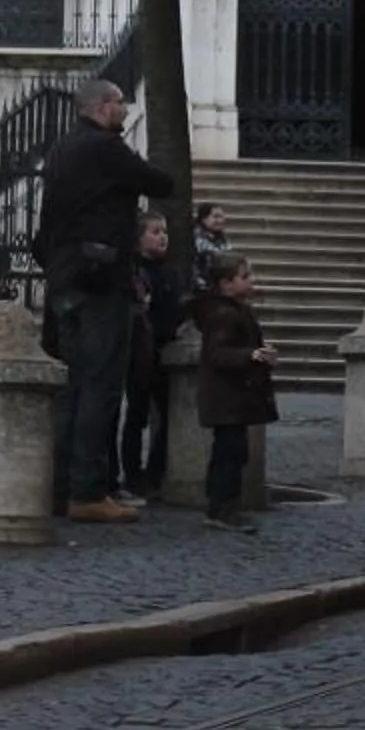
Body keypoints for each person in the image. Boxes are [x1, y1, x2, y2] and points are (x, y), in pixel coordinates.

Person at [33, 79, 172, 521]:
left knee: (72, 388)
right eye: (120, 103)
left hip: (64, 279)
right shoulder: (104, 148)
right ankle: (88, 491)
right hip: (100, 281)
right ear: (100, 106)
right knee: (101, 386)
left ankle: (61, 487)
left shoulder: (60, 149)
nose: (127, 110)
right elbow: (160, 182)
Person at [194, 250, 277, 532]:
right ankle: (222, 507)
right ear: (226, 284)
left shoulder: (232, 311)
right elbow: (217, 354)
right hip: (227, 398)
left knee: (233, 451)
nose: (251, 281)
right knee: (229, 453)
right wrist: (251, 355)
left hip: (233, 399)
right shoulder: (223, 315)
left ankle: (224, 505)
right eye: (245, 276)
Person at [119, 210, 184, 493]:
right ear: (139, 238)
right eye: (155, 232)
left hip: (167, 348)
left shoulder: (172, 270)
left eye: (164, 232)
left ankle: (155, 470)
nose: (162, 237)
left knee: (169, 414)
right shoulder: (134, 269)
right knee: (137, 414)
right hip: (141, 351)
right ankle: (133, 474)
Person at [192, 200, 230, 291]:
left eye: (221, 217)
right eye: (216, 217)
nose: (220, 221)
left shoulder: (222, 239)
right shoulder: (197, 238)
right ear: (204, 219)